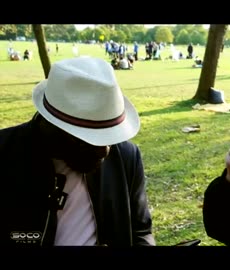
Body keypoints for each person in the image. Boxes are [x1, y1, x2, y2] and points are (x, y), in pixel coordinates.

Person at [0, 57, 155, 246]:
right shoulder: (5, 154)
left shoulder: (126, 157)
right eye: (90, 137)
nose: (105, 151)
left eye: (108, 135)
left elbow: (141, 232)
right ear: (51, 125)